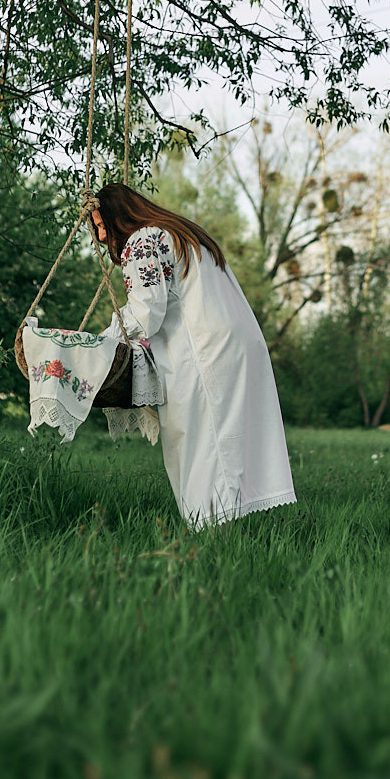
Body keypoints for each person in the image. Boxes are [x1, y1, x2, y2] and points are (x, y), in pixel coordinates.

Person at [90, 182, 296, 527]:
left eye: (100, 225)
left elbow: (146, 313)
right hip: (238, 343)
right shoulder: (183, 234)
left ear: (118, 216)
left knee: (197, 444)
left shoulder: (142, 241)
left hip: (203, 350)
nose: (99, 236)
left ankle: (210, 536)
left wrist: (101, 343)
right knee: (226, 441)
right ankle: (230, 531)